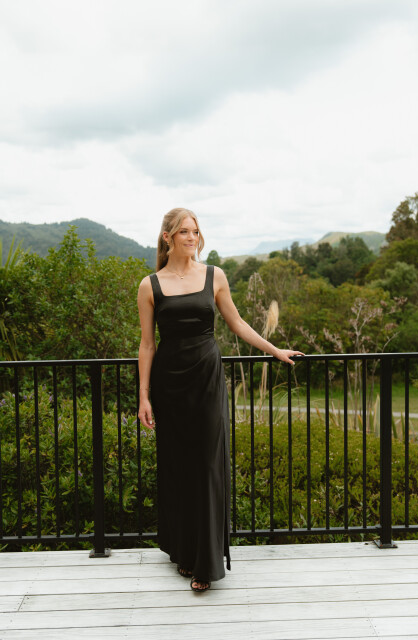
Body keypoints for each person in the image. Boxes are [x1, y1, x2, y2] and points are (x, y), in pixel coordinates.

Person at [137, 207, 304, 592]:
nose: (192, 238)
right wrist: (143, 396)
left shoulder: (215, 276)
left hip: (207, 380)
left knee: (208, 465)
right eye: (184, 232)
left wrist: (275, 350)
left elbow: (238, 323)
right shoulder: (150, 285)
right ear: (167, 237)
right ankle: (184, 551)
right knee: (178, 466)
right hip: (169, 384)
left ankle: (206, 564)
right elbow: (147, 345)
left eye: (195, 231)